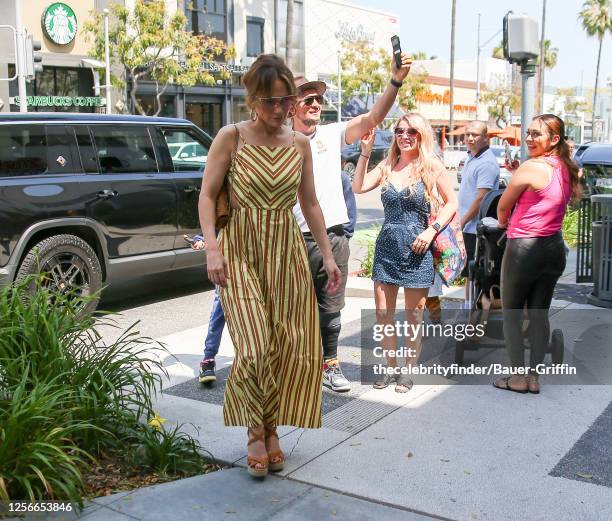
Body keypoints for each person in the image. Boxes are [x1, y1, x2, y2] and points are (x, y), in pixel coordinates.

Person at [198, 54, 342, 478]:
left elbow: (310, 203)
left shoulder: (299, 144)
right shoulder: (231, 137)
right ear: (251, 99)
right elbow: (207, 195)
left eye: (285, 101)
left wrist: (329, 257)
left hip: (286, 251)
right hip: (240, 249)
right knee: (255, 347)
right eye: (269, 101)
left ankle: (272, 428)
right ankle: (253, 432)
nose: (279, 110)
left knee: (282, 348)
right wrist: (211, 247)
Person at [292, 52, 412, 392]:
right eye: (308, 98)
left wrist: (395, 80)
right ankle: (301, 368)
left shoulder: (331, 134)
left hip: (333, 239)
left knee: (330, 310)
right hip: (292, 239)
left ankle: (329, 365)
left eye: (319, 98)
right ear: (290, 105)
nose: (316, 103)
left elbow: (374, 116)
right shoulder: (280, 140)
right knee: (295, 310)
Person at [352, 113, 458, 392]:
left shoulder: (431, 166)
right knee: (383, 313)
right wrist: (364, 153)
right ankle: (391, 369)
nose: (405, 135)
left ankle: (409, 370)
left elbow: (452, 203)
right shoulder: (388, 164)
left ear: (421, 135)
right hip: (387, 246)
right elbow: (358, 187)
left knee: (414, 315)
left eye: (411, 131)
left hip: (418, 247)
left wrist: (431, 230)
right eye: (399, 131)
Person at [494, 114, 581, 395]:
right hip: (554, 249)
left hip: (524, 248)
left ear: (554, 139)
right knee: (540, 314)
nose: (529, 138)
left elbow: (503, 207)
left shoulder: (532, 167)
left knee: (512, 314)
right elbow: (547, 192)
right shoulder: (570, 167)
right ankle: (533, 377)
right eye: (528, 133)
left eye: (536, 134)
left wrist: (505, 220)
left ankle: (518, 378)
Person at [458, 121, 500, 283]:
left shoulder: (486, 163)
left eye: (474, 135)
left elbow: (481, 198)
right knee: (469, 274)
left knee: (475, 275)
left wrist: (463, 221)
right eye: (467, 134)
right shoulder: (471, 157)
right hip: (468, 226)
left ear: (486, 138)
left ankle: (474, 308)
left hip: (475, 228)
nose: (470, 138)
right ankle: (469, 307)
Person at [186, 234, 226, 384]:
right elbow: (218, 218)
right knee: (220, 308)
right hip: (230, 260)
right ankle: (208, 358)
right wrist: (201, 239)